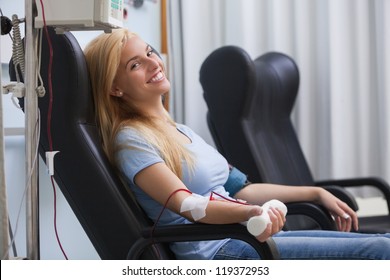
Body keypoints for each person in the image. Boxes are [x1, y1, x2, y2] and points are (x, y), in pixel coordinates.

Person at [83, 28, 390, 260]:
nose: (153, 64)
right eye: (135, 65)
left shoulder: (182, 131)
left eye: (150, 52)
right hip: (221, 252)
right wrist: (250, 213)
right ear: (114, 88)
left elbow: (241, 189)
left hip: (243, 237)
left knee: (384, 244)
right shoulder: (131, 140)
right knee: (378, 252)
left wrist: (316, 193)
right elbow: (188, 205)